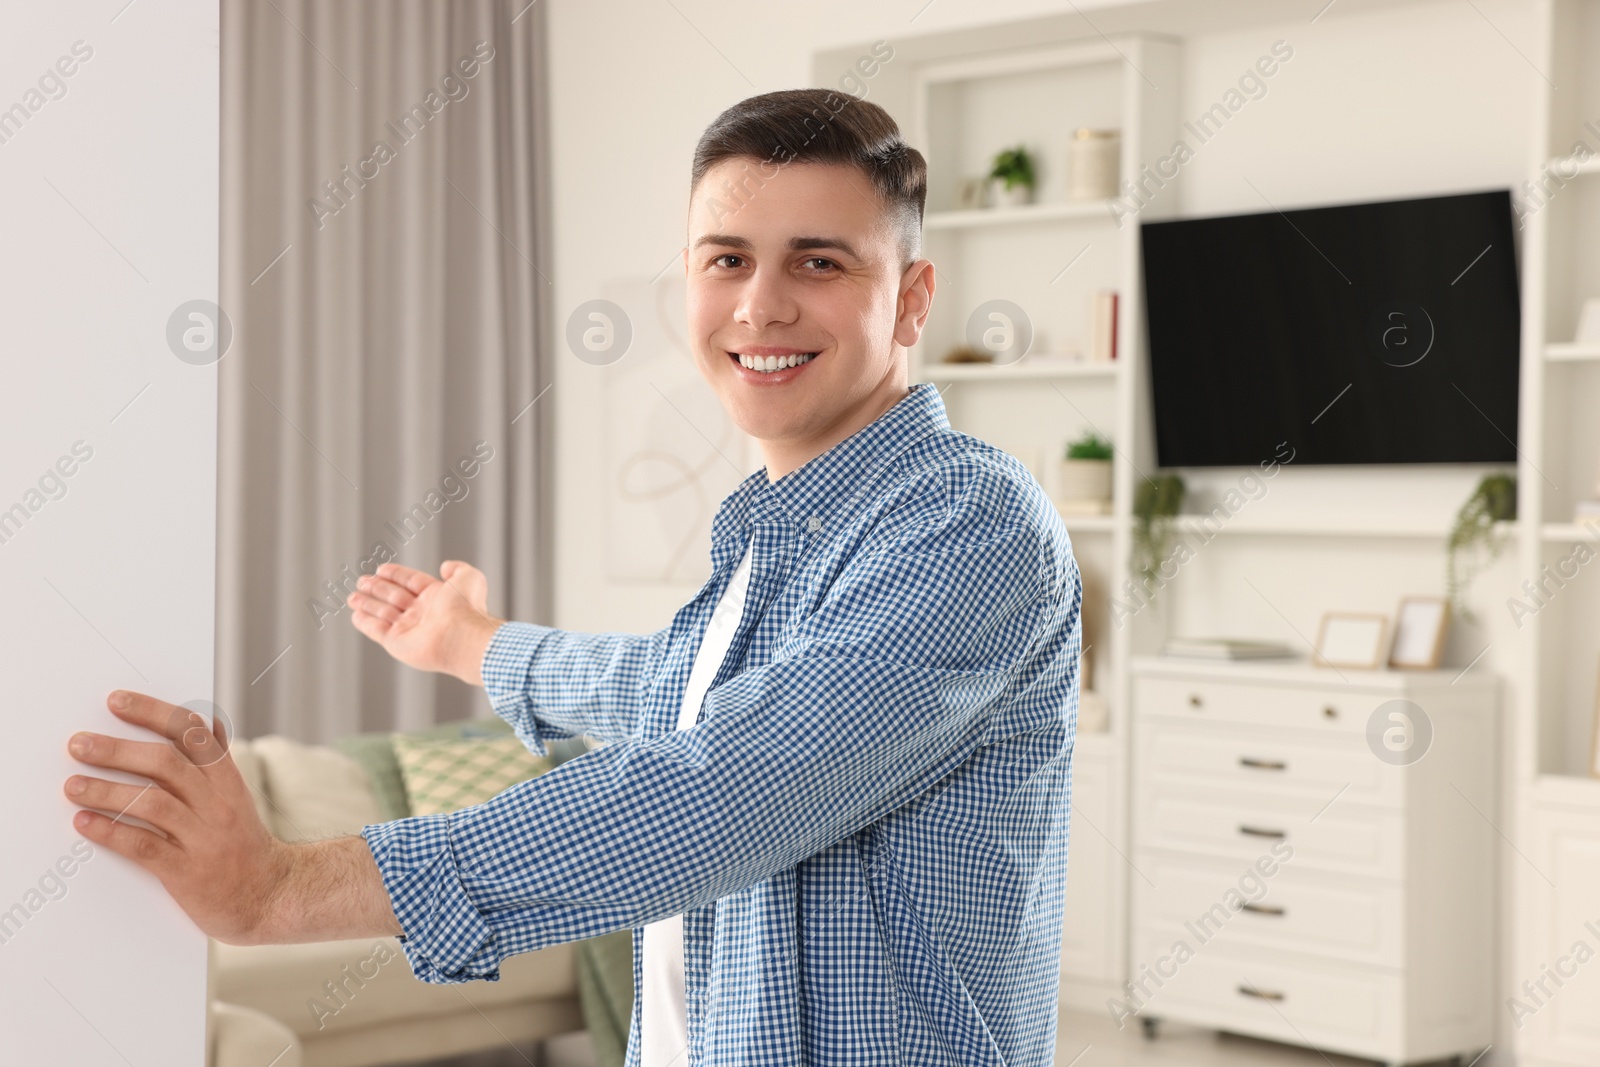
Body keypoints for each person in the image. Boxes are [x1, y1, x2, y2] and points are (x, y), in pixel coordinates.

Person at [64, 87, 1083, 1066]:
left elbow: (721, 788)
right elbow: (658, 689)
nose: (761, 304)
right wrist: (473, 641)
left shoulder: (967, 522)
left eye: (818, 262)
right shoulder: (779, 541)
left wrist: (281, 888)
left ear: (910, 299)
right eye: (727, 259)